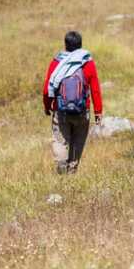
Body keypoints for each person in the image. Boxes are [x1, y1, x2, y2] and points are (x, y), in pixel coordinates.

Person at [42, 31, 103, 175]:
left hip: (61, 110)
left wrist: (47, 105)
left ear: (65, 45)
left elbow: (47, 89)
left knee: (60, 140)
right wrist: (98, 111)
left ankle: (62, 169)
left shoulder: (57, 62)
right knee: (78, 141)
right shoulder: (87, 62)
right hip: (83, 111)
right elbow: (95, 89)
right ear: (81, 45)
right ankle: (72, 170)